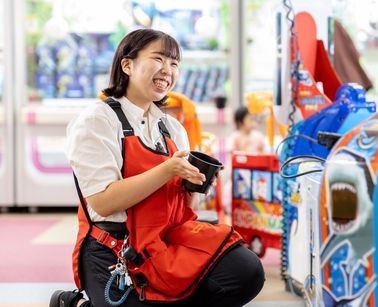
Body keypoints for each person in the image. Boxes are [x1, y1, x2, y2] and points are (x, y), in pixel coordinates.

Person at [50, 29, 264, 307]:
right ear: (127, 65)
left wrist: (196, 183)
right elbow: (103, 202)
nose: (168, 70)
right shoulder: (97, 120)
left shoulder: (172, 128)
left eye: (174, 63)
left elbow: (187, 208)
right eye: (159, 59)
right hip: (114, 249)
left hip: (165, 240)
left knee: (245, 272)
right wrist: (168, 169)